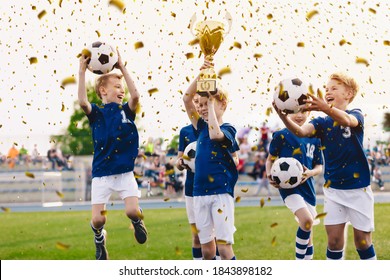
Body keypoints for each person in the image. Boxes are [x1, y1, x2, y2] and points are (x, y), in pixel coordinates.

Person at [275, 73, 376, 260]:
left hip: (358, 189)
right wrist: (284, 118)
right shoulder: (321, 122)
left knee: (362, 242)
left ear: (349, 94)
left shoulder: (356, 115)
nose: (328, 91)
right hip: (334, 191)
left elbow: (347, 121)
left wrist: (325, 107)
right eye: (326, 88)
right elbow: (301, 130)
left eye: (334, 88)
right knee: (334, 242)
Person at [78, 48, 147, 260]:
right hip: (101, 174)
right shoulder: (96, 114)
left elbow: (136, 95)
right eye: (116, 86)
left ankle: (137, 223)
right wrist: (81, 71)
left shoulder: (127, 111)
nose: (121, 90)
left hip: (125, 173)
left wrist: (122, 68)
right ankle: (100, 239)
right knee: (98, 220)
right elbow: (82, 102)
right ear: (102, 91)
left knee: (132, 212)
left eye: (122, 87)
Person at [183, 60, 239, 260]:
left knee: (224, 249)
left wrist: (213, 100)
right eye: (203, 105)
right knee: (207, 250)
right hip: (199, 193)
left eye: (208, 104)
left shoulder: (227, 129)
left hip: (220, 193)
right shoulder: (200, 129)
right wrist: (201, 76)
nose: (203, 108)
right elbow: (186, 99)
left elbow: (216, 134)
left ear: (222, 104)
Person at [266, 111, 323, 259]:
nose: (300, 114)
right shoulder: (281, 135)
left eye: (303, 111)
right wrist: (269, 174)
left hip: (308, 189)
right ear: (287, 111)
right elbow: (269, 159)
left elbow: (319, 166)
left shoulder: (314, 137)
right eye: (295, 111)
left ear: (309, 112)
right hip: (289, 189)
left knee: (308, 232)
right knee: (307, 220)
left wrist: (310, 173)